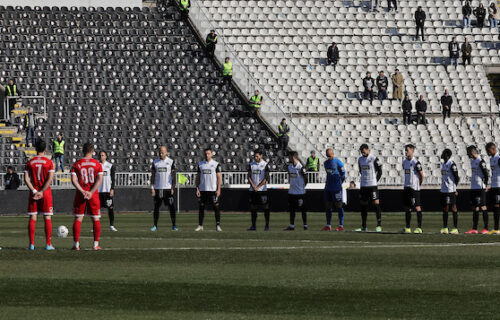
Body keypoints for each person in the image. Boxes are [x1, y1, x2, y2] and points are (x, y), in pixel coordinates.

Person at [70, 143, 104, 250]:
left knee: (78, 218)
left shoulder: (77, 164)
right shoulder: (97, 164)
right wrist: (91, 192)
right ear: (92, 151)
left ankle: (76, 245)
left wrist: (82, 191)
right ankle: (95, 245)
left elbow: (74, 180)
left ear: (83, 151)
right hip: (93, 194)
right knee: (95, 219)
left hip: (81, 194)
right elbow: (99, 180)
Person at [24, 139, 55, 250]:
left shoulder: (29, 162)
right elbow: (50, 179)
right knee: (47, 217)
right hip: (45, 193)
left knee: (33, 217)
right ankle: (48, 244)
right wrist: (42, 192)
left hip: (34, 192)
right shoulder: (49, 162)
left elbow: (26, 179)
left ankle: (31, 244)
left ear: (35, 149)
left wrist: (34, 191)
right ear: (45, 149)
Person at [356, 144, 383, 232]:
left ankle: (379, 225)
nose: (363, 153)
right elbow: (360, 170)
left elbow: (380, 171)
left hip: (372, 185)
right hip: (363, 185)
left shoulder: (374, 159)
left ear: (368, 150)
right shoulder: (360, 159)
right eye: (361, 152)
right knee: (363, 205)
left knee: (376, 204)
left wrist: (375, 181)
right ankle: (364, 226)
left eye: (364, 151)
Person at [195, 148, 222, 232]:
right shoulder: (200, 164)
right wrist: (197, 188)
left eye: (208, 153)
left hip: (213, 190)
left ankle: (218, 225)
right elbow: (198, 177)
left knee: (216, 207)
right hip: (203, 189)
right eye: (206, 154)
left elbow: (219, 177)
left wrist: (218, 189)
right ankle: (200, 225)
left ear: (212, 154)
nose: (207, 155)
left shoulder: (216, 164)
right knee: (201, 207)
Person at [150, 146, 177, 231]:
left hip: (168, 189)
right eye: (160, 152)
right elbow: (153, 175)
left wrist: (173, 187)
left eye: (162, 152)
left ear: (166, 152)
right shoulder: (155, 162)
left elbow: (173, 175)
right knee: (156, 207)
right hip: (158, 188)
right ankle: (155, 225)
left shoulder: (171, 162)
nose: (161, 153)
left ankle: (174, 225)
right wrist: (152, 187)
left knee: (172, 207)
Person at [465, 146, 490, 234]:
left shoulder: (480, 161)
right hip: (473, 187)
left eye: (468, 152)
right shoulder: (472, 161)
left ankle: (486, 228)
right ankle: (474, 228)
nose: (467, 154)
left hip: (480, 187)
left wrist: (486, 185)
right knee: (474, 208)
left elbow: (486, 174)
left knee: (483, 206)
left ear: (472, 152)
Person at [322, 148, 346, 232]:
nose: (328, 157)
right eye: (327, 155)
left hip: (336, 188)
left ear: (333, 154)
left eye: (329, 155)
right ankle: (328, 225)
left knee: (339, 205)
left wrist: (339, 183)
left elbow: (343, 174)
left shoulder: (338, 162)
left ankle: (341, 225)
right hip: (328, 187)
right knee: (328, 205)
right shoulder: (325, 163)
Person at [402, 144, 424, 233]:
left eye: (407, 150)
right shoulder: (404, 162)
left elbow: (421, 175)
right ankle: (407, 227)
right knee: (407, 208)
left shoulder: (416, 163)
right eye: (405, 150)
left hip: (414, 188)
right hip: (406, 187)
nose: (406, 152)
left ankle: (419, 227)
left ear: (412, 150)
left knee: (417, 207)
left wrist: (418, 185)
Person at [284, 151, 308, 231]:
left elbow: (306, 178)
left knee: (303, 210)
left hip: (300, 192)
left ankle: (305, 225)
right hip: (292, 192)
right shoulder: (290, 166)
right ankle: (292, 225)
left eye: (290, 156)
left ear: (293, 157)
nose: (289, 158)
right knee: (292, 210)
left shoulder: (301, 167)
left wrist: (302, 186)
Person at [247, 150, 271, 231]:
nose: (255, 158)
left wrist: (259, 186)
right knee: (253, 208)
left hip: (262, 190)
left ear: (261, 156)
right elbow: (249, 176)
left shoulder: (265, 165)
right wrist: (253, 186)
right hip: (253, 190)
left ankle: (267, 225)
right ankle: (253, 226)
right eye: (255, 156)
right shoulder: (251, 165)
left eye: (257, 156)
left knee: (265, 207)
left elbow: (266, 177)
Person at [440, 149, 460, 234]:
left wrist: (455, 188)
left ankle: (455, 228)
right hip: (444, 189)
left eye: (444, 154)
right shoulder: (443, 164)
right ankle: (445, 227)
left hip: (450, 190)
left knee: (453, 207)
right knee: (445, 208)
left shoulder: (452, 164)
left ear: (447, 155)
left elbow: (457, 177)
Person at [98, 151, 117, 232]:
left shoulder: (110, 166)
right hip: (98, 191)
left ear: (106, 156)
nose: (101, 156)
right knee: (96, 210)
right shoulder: (97, 165)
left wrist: (112, 189)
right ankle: (95, 226)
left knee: (110, 208)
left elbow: (113, 178)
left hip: (107, 191)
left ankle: (111, 225)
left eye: (102, 155)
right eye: (100, 155)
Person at [485, 142, 500, 234]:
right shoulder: (492, 159)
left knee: (497, 206)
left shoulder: (498, 159)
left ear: (493, 149)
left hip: (499, 185)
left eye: (488, 150)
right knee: (495, 206)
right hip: (494, 185)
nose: (487, 152)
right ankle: (496, 228)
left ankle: (497, 228)